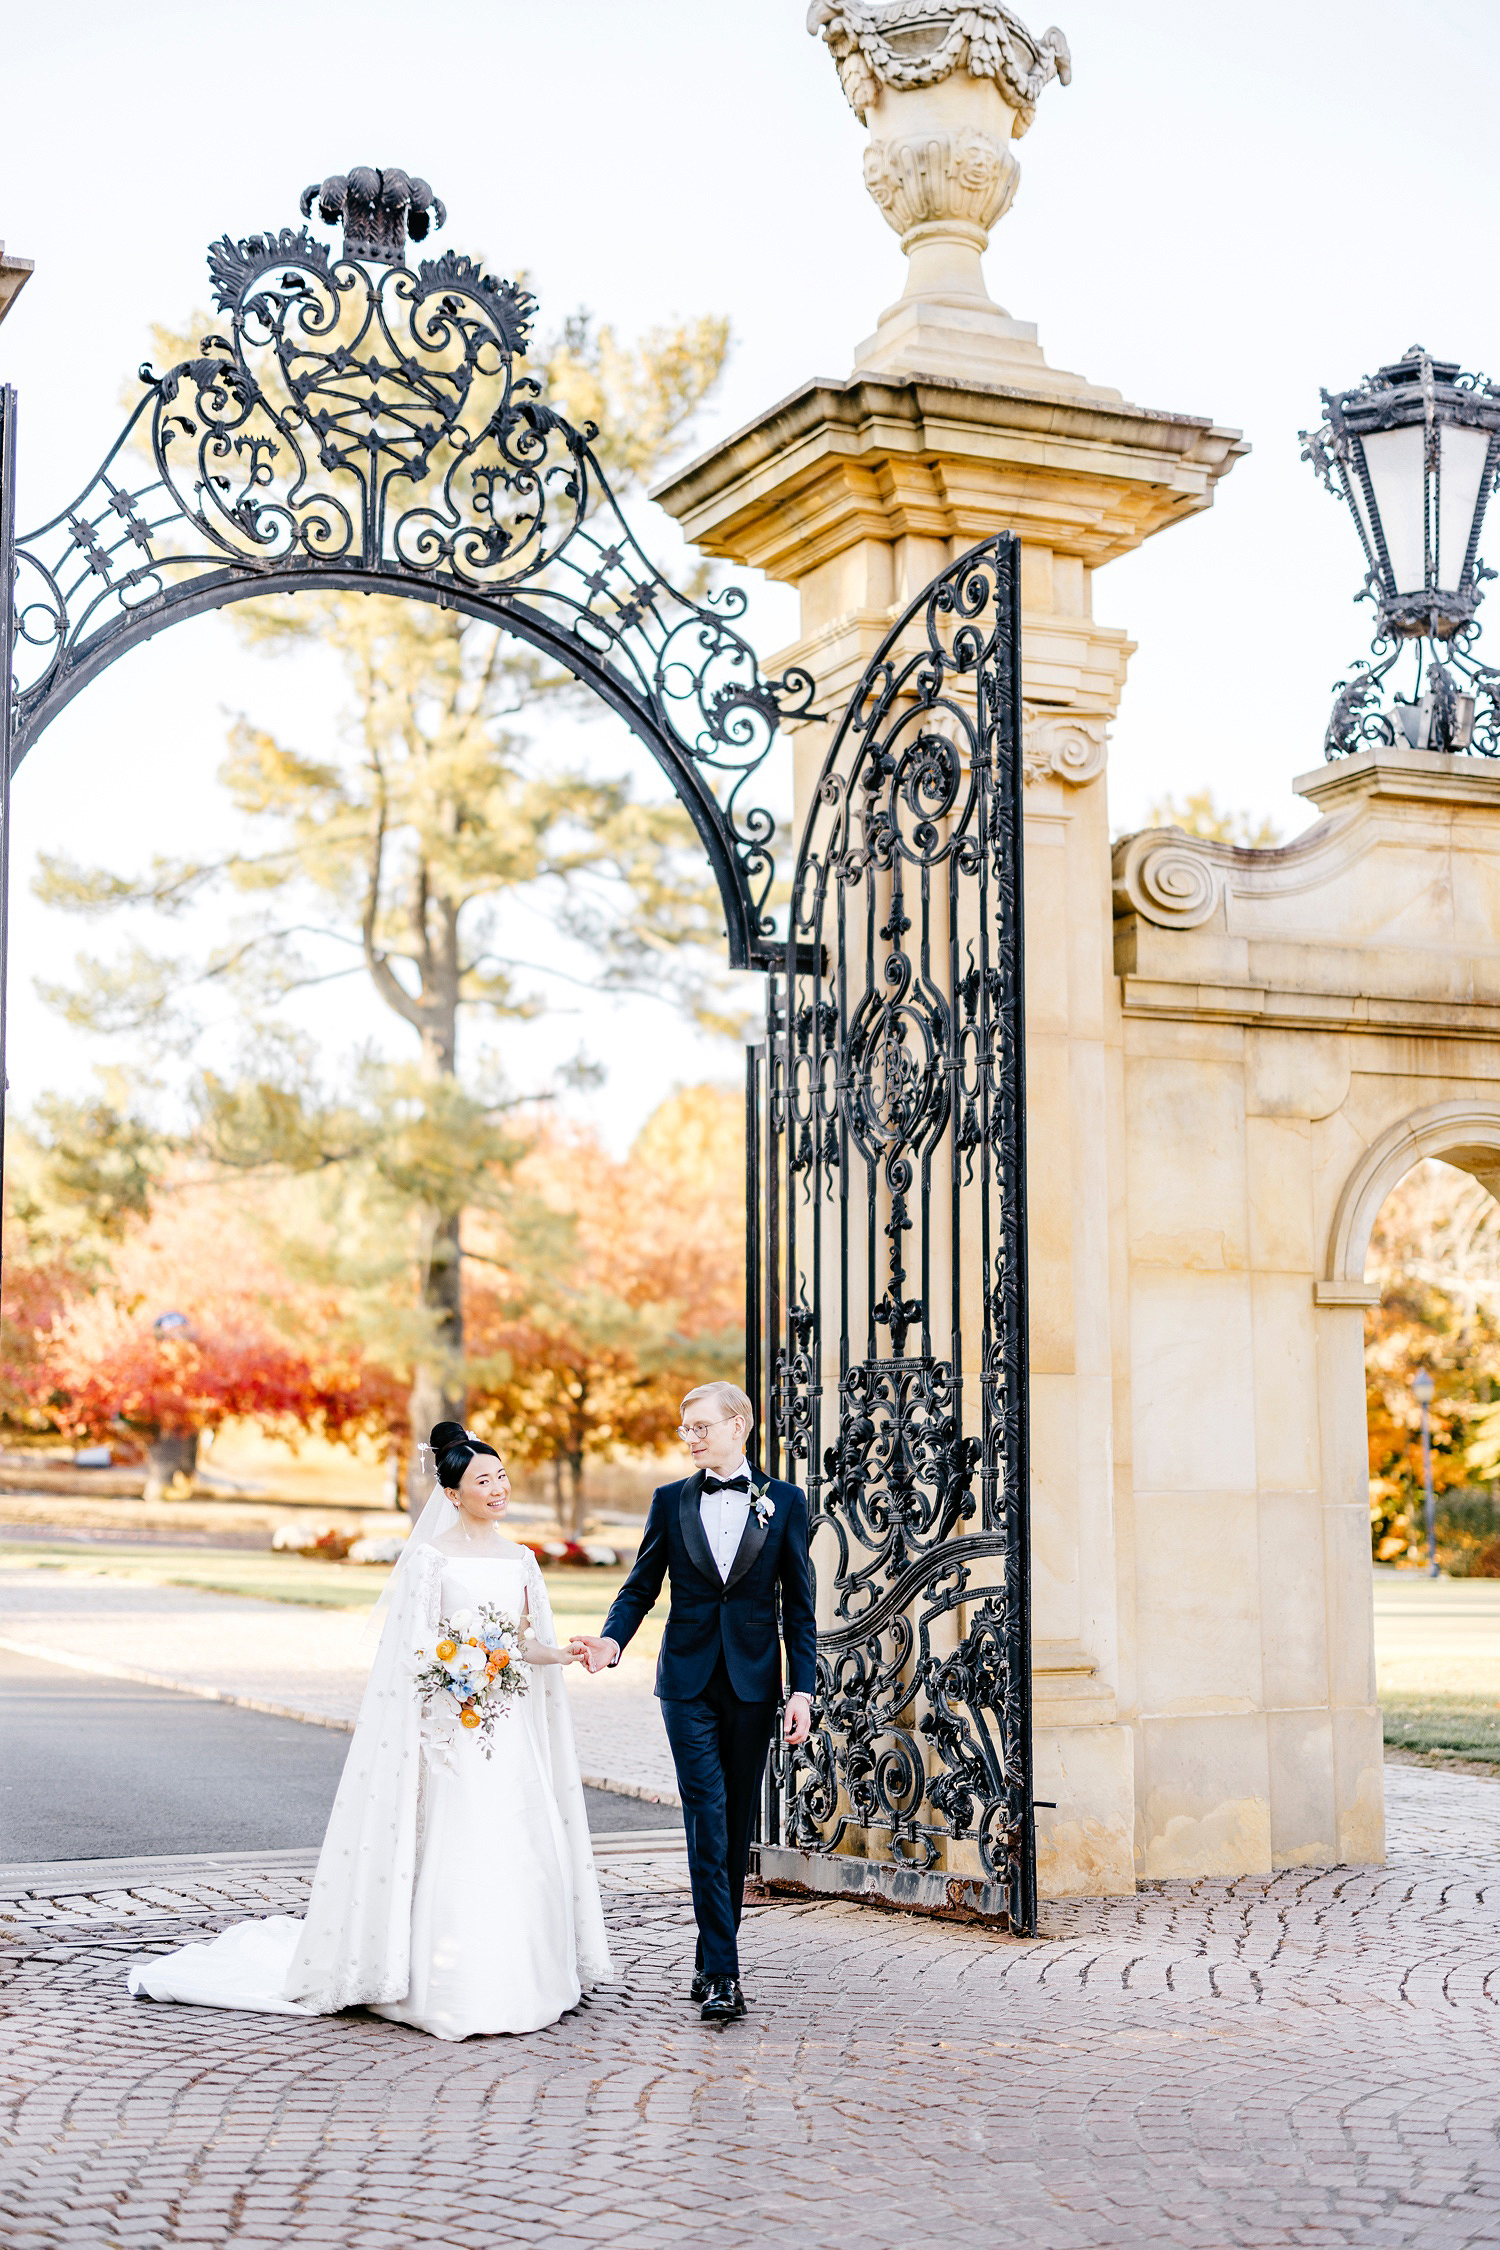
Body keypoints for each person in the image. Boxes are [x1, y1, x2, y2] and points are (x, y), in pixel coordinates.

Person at [127, 1423, 612, 2040]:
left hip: (505, 1724)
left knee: (515, 1829)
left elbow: (521, 1641)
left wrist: (562, 1655)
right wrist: (450, 1679)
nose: (498, 1488)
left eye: (501, 1477)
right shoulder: (433, 1560)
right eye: (482, 1481)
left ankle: (527, 1973)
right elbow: (412, 1650)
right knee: (458, 1835)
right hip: (451, 1727)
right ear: (453, 1493)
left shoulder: (520, 1559)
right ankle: (447, 1978)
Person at [574, 1381, 816, 2026]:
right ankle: (721, 1973)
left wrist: (802, 1690)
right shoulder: (670, 1500)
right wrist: (612, 1640)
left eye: (702, 1427)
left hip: (753, 1683)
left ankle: (715, 1952)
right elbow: (640, 1585)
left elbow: (799, 1607)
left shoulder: (786, 1503)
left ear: (739, 1425)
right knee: (707, 1813)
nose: (691, 1438)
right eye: (686, 1430)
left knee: (736, 1823)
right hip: (684, 1682)